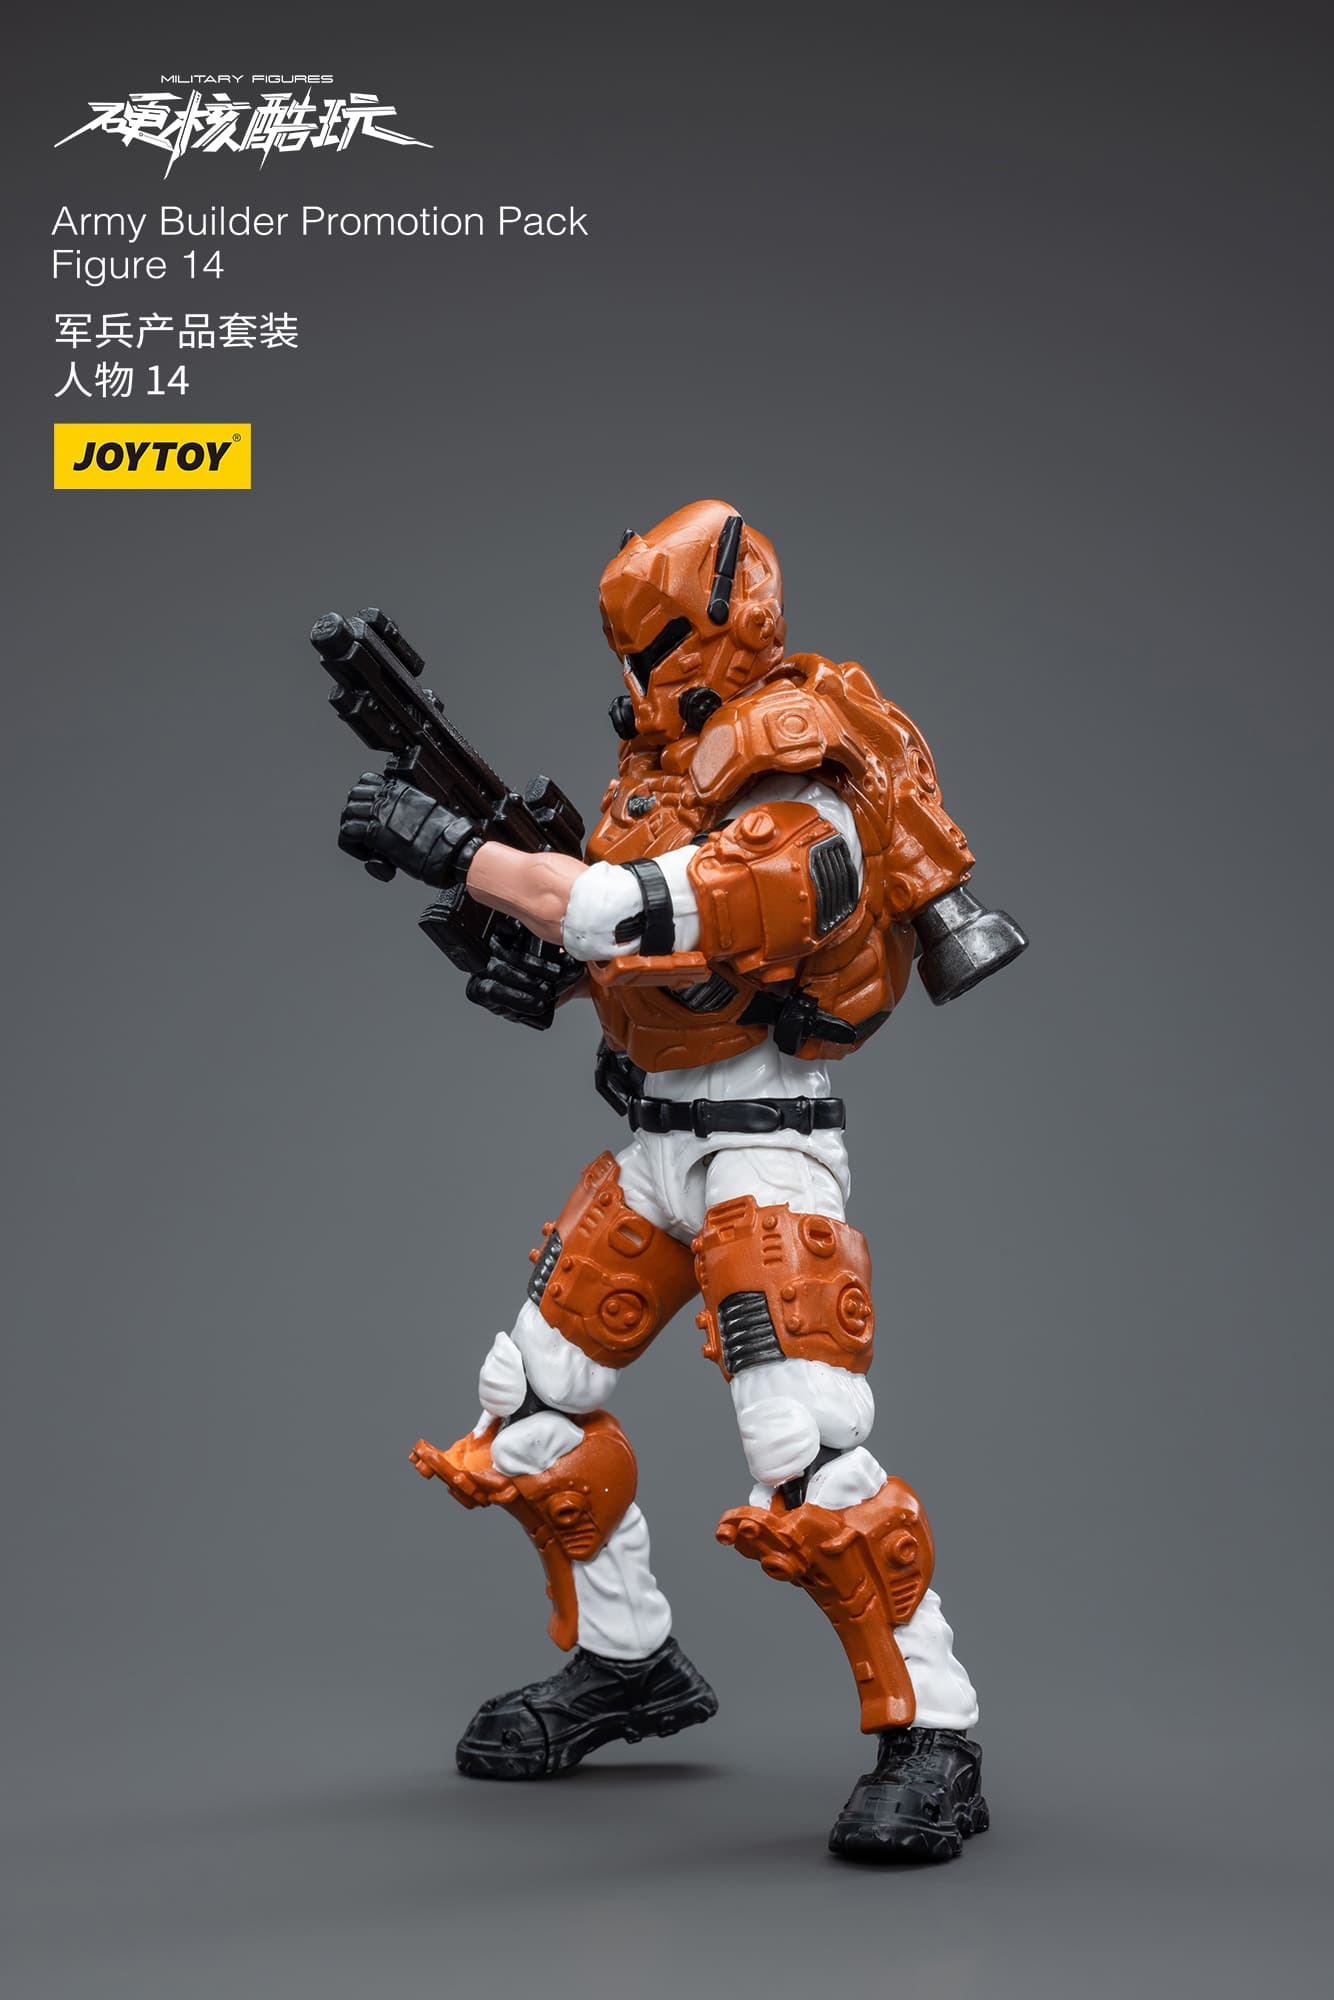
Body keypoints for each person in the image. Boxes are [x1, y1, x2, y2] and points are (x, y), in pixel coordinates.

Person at [337, 499, 1027, 1861]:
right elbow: (606, 943)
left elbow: (650, 907)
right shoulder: (661, 775)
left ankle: (935, 1738)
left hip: (766, 1149)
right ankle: (628, 1663)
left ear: (721, 625)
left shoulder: (802, 774)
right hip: (654, 1144)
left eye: (653, 641)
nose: (639, 671)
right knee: (529, 1403)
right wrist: (508, 913)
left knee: (804, 1446)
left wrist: (466, 852)